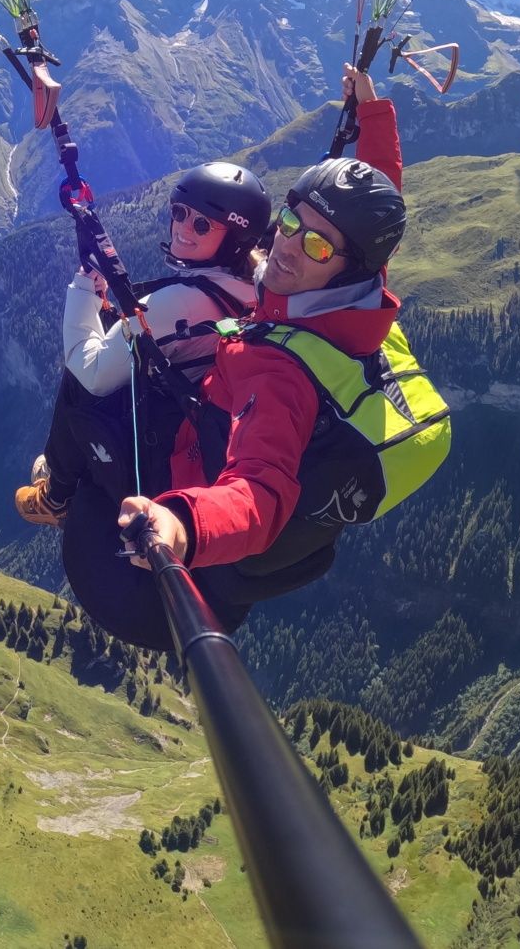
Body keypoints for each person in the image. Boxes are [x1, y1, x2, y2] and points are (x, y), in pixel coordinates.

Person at [62, 64, 413, 652]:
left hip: (188, 496)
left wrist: (182, 525)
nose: (286, 248)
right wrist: (373, 114)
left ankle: (56, 484)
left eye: (317, 245)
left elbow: (260, 492)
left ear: (345, 266)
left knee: (89, 394)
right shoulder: (356, 294)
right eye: (293, 223)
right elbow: (382, 204)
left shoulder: (280, 371)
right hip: (229, 488)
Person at [14, 159, 271, 526]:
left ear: (235, 239)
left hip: (165, 441)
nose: (182, 227)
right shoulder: (263, 283)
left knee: (78, 378)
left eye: (201, 223)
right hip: (207, 419)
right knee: (111, 335)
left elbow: (90, 370)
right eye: (179, 212)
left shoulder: (179, 303)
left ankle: (56, 493)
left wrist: (86, 286)